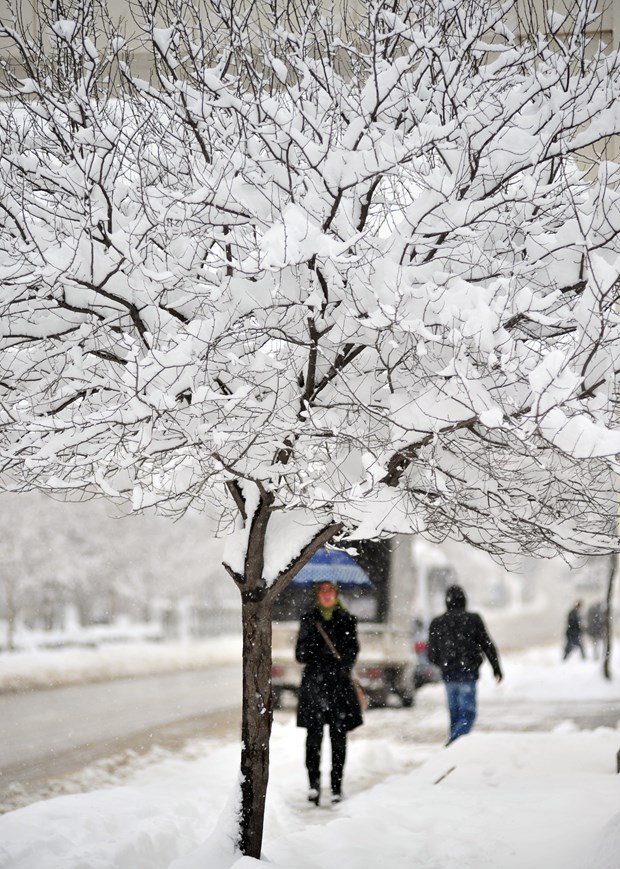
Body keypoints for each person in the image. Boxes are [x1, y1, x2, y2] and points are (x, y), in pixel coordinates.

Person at [295, 579, 363, 805]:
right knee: (313, 740)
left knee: (338, 739)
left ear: (336, 593)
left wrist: (341, 665)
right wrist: (315, 643)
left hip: (339, 687)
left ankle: (336, 787)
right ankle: (313, 787)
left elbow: (352, 651)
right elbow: (300, 655)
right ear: (317, 594)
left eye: (330, 590)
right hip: (314, 685)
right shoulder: (308, 619)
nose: (326, 595)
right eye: (322, 591)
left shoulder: (347, 619)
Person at [428, 584, 503, 746]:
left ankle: (454, 745)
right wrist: (496, 668)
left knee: (454, 714)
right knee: (467, 714)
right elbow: (487, 644)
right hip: (468, 673)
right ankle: (455, 742)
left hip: (449, 674)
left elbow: (431, 654)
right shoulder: (473, 619)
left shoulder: (437, 622)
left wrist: (443, 663)